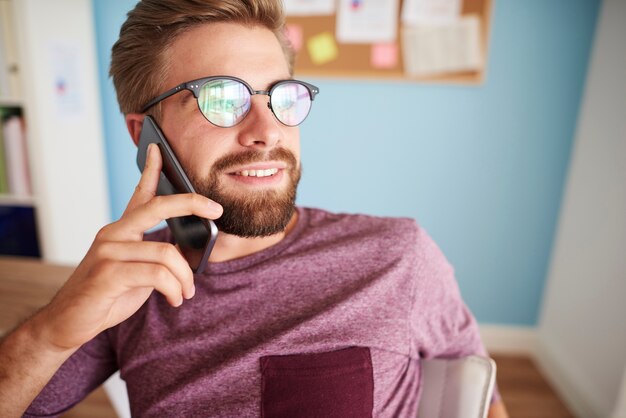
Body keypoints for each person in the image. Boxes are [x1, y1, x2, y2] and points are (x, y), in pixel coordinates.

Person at [0, 1, 508, 417]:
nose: (267, 131)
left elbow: (475, 389)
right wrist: (50, 332)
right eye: (222, 98)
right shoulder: (128, 286)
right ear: (144, 135)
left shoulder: (398, 256)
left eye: (281, 96)